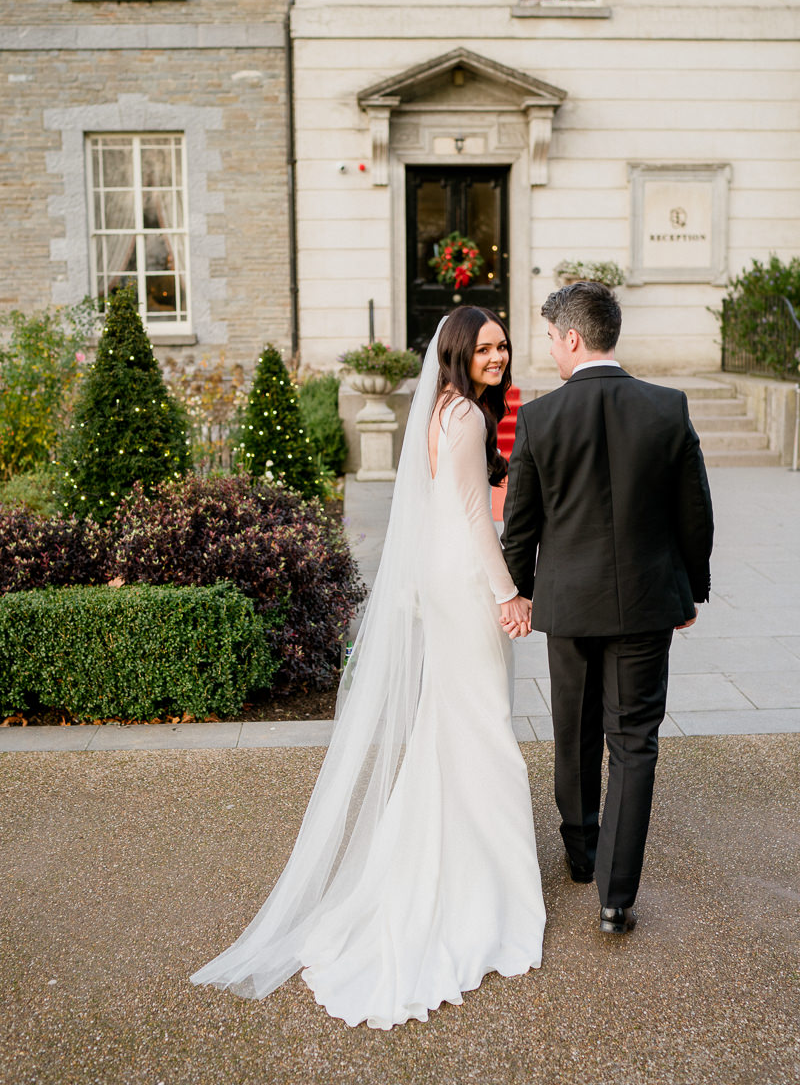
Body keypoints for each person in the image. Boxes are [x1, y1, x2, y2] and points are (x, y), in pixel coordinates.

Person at [191, 306, 546, 1028]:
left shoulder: (440, 409)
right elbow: (478, 517)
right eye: (485, 348)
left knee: (453, 722)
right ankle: (492, 889)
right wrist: (509, 592)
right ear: (457, 352)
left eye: (503, 347)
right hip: (466, 581)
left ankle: (455, 859)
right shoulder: (470, 419)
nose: (499, 357)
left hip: (437, 580)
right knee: (485, 727)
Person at [501, 281, 713, 936]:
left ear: (571, 337)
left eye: (551, 340)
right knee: (634, 743)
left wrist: (520, 592)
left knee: (575, 730)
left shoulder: (540, 418)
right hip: (648, 604)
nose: (552, 353)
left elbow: (521, 526)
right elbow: (695, 516)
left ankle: (581, 857)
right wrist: (691, 589)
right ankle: (617, 900)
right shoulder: (667, 408)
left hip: (568, 607)